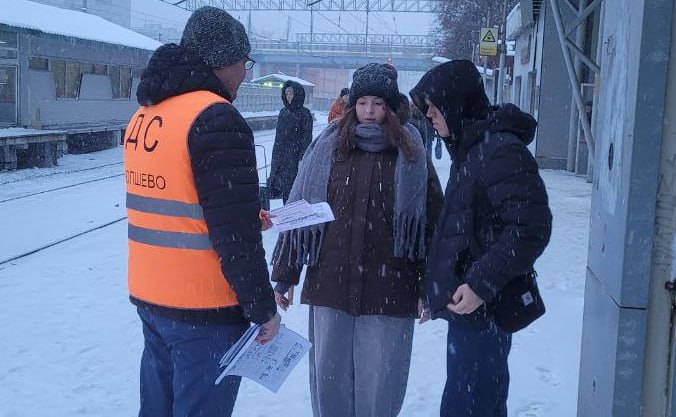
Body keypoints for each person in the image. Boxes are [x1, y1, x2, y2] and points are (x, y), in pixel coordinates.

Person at [124, 7, 280, 417]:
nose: (245, 73)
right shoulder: (215, 117)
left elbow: (178, 204)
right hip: (204, 308)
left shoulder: (146, 115)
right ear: (225, 60)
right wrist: (262, 308)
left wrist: (243, 215)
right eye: (245, 62)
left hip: (153, 297)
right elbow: (235, 236)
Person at [271, 63, 444, 417]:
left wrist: (431, 286)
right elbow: (302, 213)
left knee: (380, 383)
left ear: (390, 107)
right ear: (352, 105)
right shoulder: (329, 147)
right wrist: (285, 276)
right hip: (331, 284)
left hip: (389, 288)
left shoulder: (410, 152)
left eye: (377, 104)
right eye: (362, 102)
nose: (369, 111)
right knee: (330, 380)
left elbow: (431, 227)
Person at [409, 59, 552, 417]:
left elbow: (530, 228)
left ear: (456, 104)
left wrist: (479, 285)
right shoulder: (472, 150)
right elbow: (459, 231)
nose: (429, 116)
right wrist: (435, 291)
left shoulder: (500, 151)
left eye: (434, 107)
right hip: (469, 308)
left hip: (485, 309)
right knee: (468, 400)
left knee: (472, 404)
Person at [267, 80, 313, 203]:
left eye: (291, 93)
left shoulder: (304, 114)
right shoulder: (283, 112)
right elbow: (278, 137)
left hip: (295, 156)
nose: (288, 96)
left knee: (294, 189)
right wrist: (276, 158)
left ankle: (295, 211)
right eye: (286, 93)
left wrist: (302, 158)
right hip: (282, 156)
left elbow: (306, 137)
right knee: (282, 188)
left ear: (297, 94)